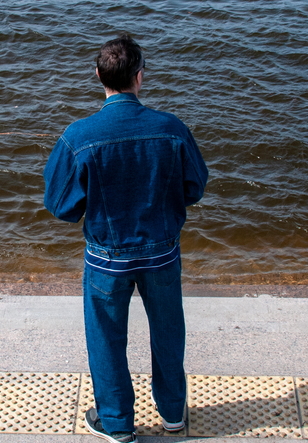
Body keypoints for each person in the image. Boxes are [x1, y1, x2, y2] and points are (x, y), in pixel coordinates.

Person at [43, 33, 209, 443]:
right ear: (140, 77)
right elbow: (195, 186)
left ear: (98, 75)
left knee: (106, 337)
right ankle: (173, 415)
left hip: (106, 258)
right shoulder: (171, 129)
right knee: (169, 333)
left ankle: (117, 424)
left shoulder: (79, 136)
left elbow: (60, 205)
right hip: (162, 253)